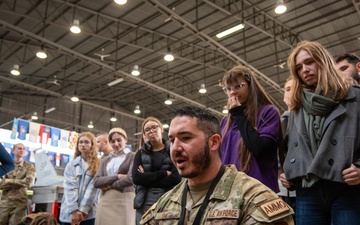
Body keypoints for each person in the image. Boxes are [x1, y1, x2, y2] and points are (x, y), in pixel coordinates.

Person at [141, 106, 294, 225]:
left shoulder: (254, 199)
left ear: (214, 142)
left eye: (185, 138)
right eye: (172, 140)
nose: (175, 148)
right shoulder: (165, 203)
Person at [280, 40, 360, 225]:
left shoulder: (354, 96)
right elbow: (294, 146)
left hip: (345, 188)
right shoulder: (297, 106)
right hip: (307, 192)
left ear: (323, 61)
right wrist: (290, 172)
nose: (305, 70)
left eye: (309, 62)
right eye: (299, 67)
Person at [220, 65, 282, 192]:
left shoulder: (268, 112)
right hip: (229, 190)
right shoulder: (225, 122)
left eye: (238, 86)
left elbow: (260, 149)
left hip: (259, 190)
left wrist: (238, 114)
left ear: (250, 86)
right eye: (228, 89)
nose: (232, 92)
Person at [132, 117, 181, 225]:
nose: (151, 131)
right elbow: (136, 178)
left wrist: (146, 177)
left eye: (154, 127)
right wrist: (163, 173)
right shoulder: (140, 153)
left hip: (169, 199)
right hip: (144, 201)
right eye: (147, 129)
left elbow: (176, 178)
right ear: (144, 134)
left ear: (161, 129)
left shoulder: (172, 150)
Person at [93, 128, 135, 225]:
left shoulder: (133, 156)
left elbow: (131, 179)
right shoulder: (104, 160)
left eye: (119, 140)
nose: (116, 144)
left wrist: (110, 186)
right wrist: (118, 176)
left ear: (126, 140)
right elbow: (96, 181)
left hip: (125, 200)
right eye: (113, 141)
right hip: (105, 201)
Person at [59, 132, 100, 225]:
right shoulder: (71, 165)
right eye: (80, 142)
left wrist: (82, 211)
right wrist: (74, 211)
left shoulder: (98, 165)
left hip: (89, 213)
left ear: (92, 145)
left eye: (86, 142)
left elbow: (92, 190)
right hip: (69, 213)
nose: (83, 144)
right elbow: (69, 187)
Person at [0, 143, 35, 225]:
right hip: (4, 203)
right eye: (19, 148)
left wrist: (10, 181)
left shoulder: (29, 166)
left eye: (23, 149)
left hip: (19, 204)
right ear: (13, 151)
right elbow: (1, 184)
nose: (22, 150)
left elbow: (28, 182)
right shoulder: (6, 166)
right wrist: (20, 182)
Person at [277, 77, 296, 213]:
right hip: (281, 189)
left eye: (295, 88)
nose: (291, 93)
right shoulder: (277, 123)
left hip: (303, 190)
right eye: (288, 89)